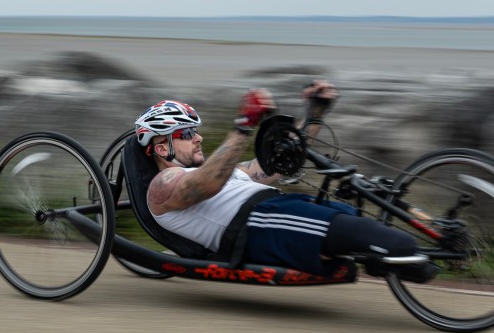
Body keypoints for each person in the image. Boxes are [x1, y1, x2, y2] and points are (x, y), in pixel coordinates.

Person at [133, 81, 436, 280]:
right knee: (388, 241)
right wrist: (242, 126)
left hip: (279, 211)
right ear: (161, 148)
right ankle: (405, 259)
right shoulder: (163, 185)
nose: (197, 137)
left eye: (196, 130)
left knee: (362, 223)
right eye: (187, 134)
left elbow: (276, 164)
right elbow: (206, 184)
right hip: (256, 226)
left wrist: (315, 114)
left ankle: (398, 259)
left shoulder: (226, 170)